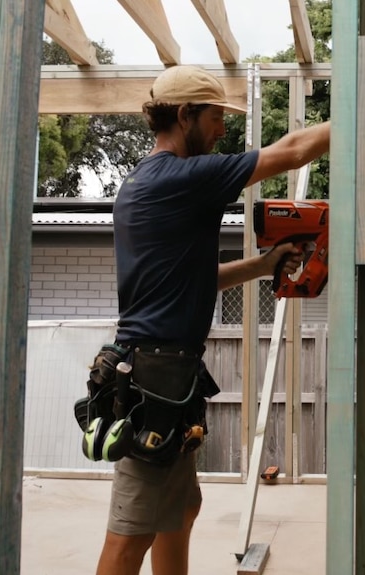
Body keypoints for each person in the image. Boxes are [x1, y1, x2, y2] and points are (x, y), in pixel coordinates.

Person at [95, 65, 330, 575]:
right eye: (217, 116)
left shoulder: (147, 181)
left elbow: (196, 280)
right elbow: (292, 151)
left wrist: (265, 265)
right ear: (185, 115)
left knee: (181, 509)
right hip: (153, 381)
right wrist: (364, 114)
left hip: (165, 375)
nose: (222, 129)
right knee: (130, 532)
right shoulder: (181, 176)